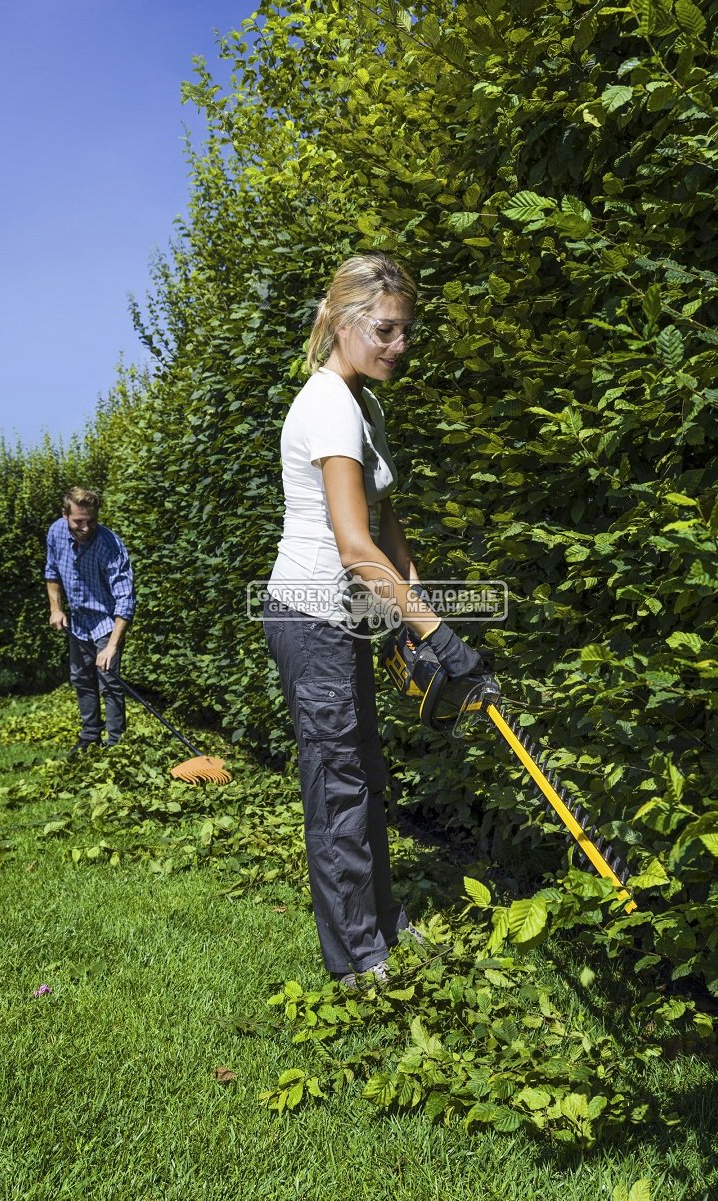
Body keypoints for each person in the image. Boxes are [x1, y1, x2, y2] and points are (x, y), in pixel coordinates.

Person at [263, 253, 485, 987]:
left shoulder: (364, 403)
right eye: (386, 331)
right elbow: (353, 547)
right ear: (343, 321)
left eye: (405, 332)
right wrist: (434, 632)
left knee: (362, 773)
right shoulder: (327, 402)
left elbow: (390, 538)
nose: (400, 346)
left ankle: (378, 925)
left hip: (346, 616)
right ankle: (358, 961)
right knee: (338, 783)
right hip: (311, 613)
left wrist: (426, 621)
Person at [44, 486, 136, 752]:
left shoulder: (111, 546)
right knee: (81, 679)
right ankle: (89, 737)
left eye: (91, 521)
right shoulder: (56, 532)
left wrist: (111, 646)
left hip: (107, 622)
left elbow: (125, 599)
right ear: (65, 515)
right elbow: (52, 573)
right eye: (79, 521)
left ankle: (117, 745)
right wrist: (56, 609)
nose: (85, 528)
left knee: (110, 682)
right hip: (79, 621)